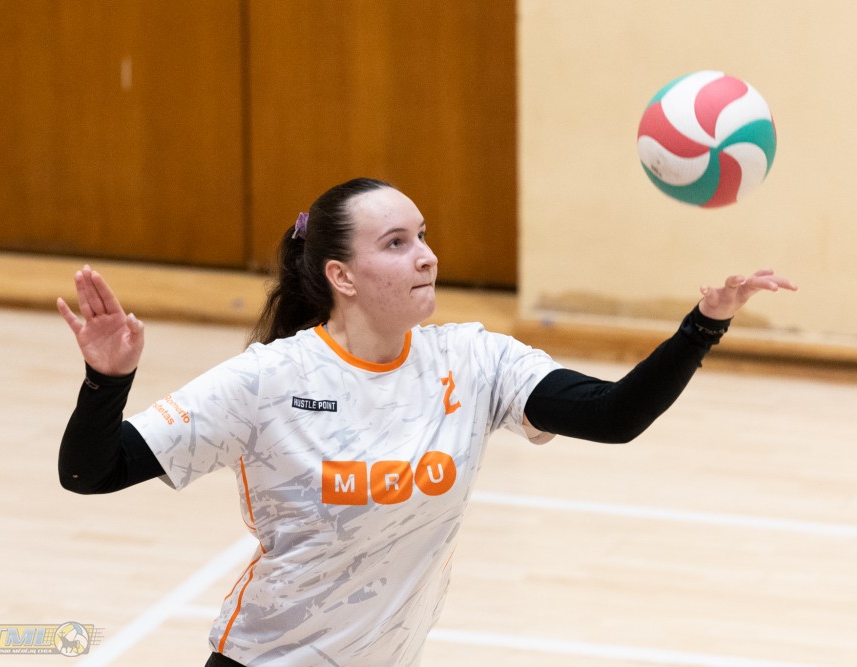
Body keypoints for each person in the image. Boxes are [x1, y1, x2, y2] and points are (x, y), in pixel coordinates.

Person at [57, 177, 796, 667]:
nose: (427, 257)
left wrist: (703, 324)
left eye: (423, 235)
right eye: (397, 243)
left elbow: (614, 416)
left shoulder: (473, 360)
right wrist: (107, 379)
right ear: (341, 276)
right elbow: (91, 471)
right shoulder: (268, 380)